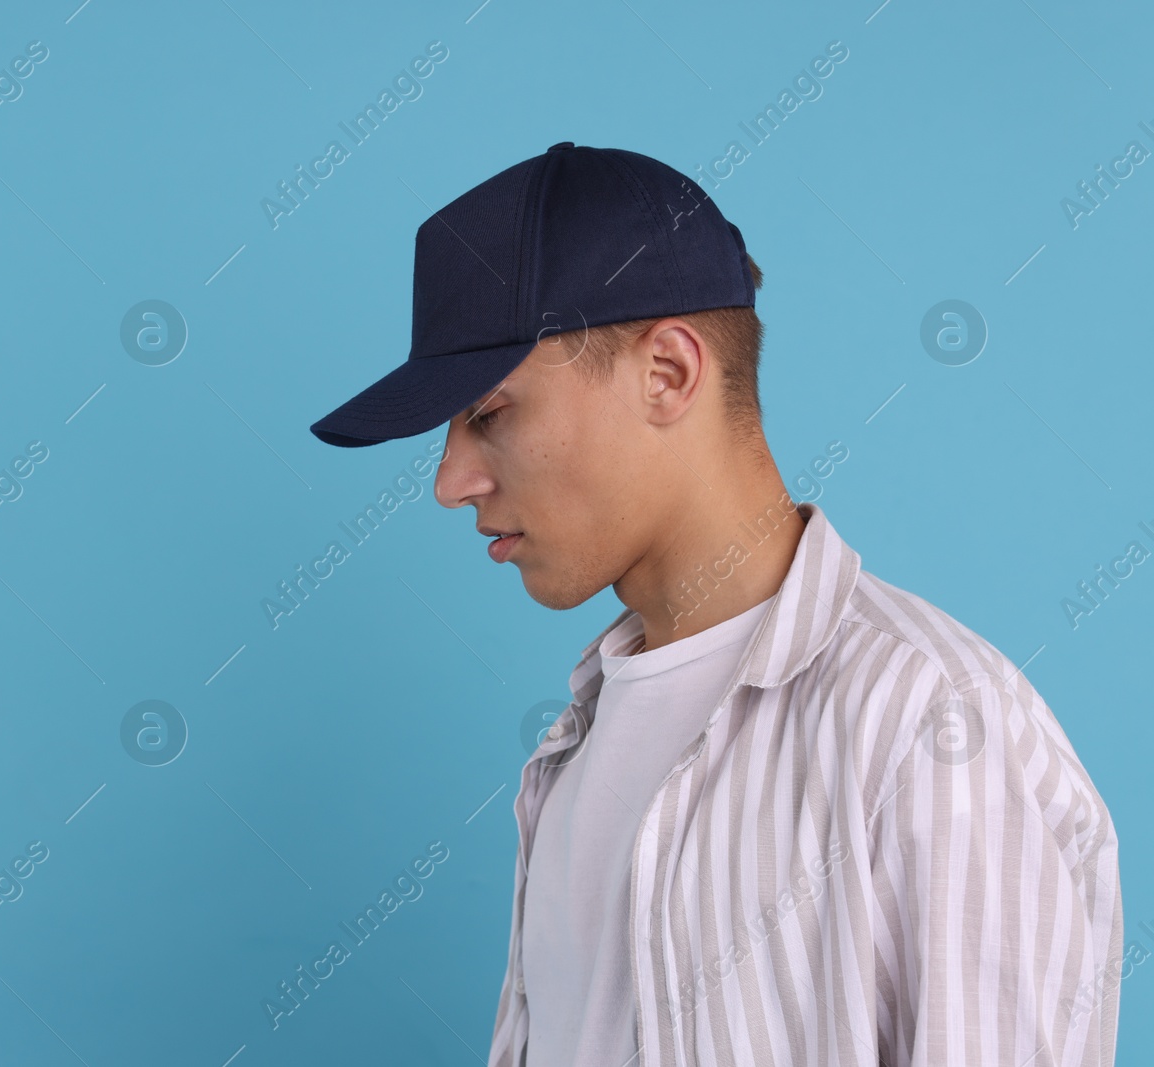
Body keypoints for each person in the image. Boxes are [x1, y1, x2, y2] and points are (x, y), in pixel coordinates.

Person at [309, 143, 1123, 1066]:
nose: (450, 480)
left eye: (489, 412)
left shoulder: (933, 724)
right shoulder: (569, 754)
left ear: (667, 372)